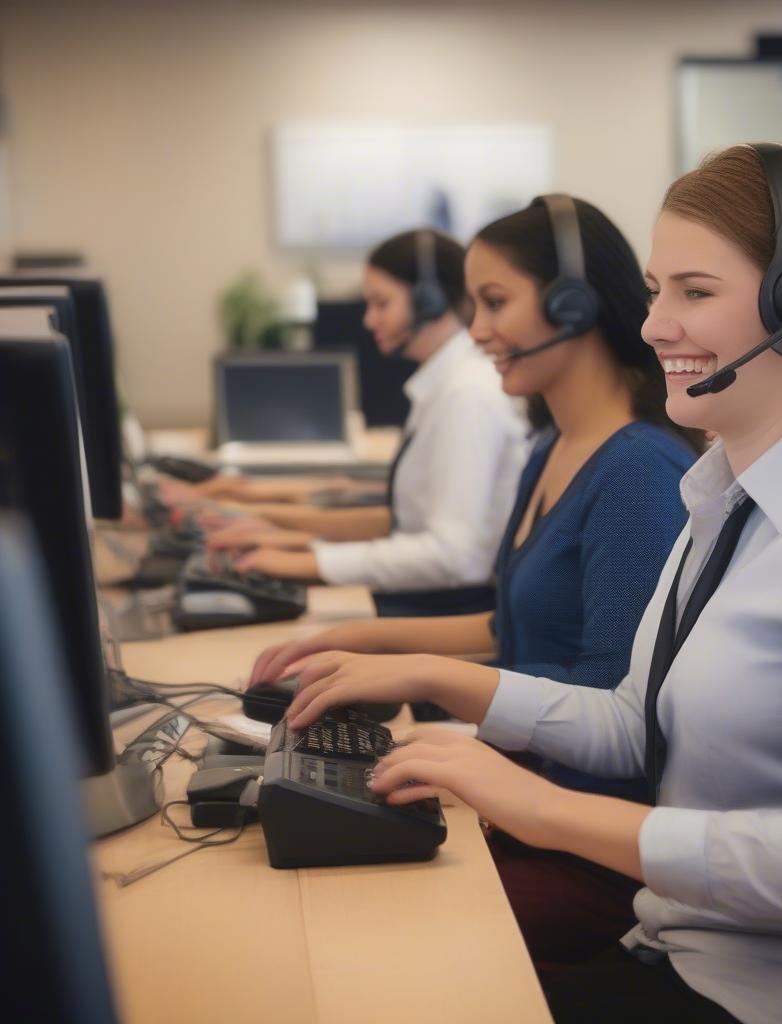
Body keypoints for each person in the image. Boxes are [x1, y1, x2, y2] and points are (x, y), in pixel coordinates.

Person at [277, 144, 782, 1023]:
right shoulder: (722, 497)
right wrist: (454, 726)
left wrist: (538, 808)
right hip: (683, 948)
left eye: (694, 291)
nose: (652, 326)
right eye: (654, 291)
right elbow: (631, 717)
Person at [248, 196, 703, 969]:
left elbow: (613, 705)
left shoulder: (638, 474)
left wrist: (442, 709)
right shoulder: (552, 445)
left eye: (495, 303)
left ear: (573, 304)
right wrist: (359, 642)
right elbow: (506, 629)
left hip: (586, 839)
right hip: (518, 789)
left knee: (355, 933)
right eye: (473, 305)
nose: (478, 331)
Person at [180, 230, 529, 613]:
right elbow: (403, 523)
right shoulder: (444, 386)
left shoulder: (467, 396)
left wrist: (307, 562)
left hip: (450, 607)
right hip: (429, 598)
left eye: (381, 303)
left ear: (428, 302)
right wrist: (297, 543)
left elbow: (452, 556)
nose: (368, 319)